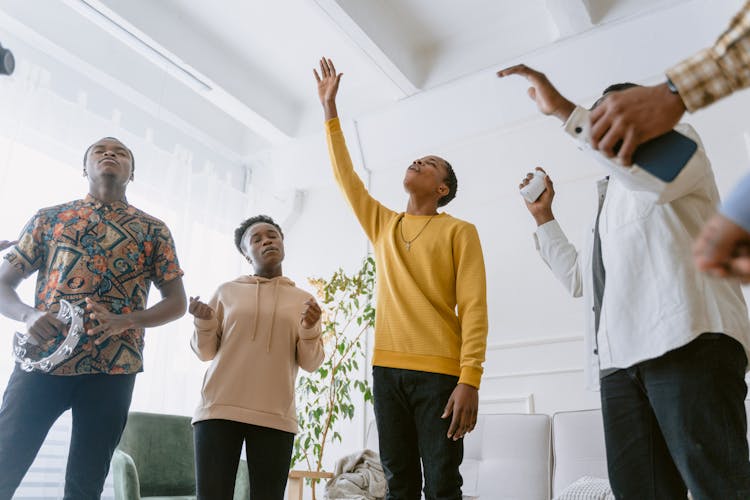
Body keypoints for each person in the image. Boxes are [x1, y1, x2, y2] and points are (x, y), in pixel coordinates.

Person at [500, 64, 750, 499]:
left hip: (688, 342)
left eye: (610, 121)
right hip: (618, 363)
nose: (600, 135)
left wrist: (564, 112)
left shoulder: (681, 145)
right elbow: (582, 281)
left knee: (718, 488)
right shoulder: (606, 205)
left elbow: (652, 177)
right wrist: (544, 218)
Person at [314, 57, 489, 500]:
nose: (418, 161)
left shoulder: (459, 231)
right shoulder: (383, 224)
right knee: (399, 484)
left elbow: (473, 306)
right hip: (386, 371)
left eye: (429, 164)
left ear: (442, 188)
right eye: (418, 159)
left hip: (439, 375)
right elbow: (345, 178)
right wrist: (330, 111)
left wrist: (470, 379)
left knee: (443, 484)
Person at [0, 137, 186, 499]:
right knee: (5, 461)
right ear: (84, 168)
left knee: (86, 484)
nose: (110, 154)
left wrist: (127, 320)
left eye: (120, 152)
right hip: (43, 360)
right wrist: (28, 314)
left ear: (132, 173)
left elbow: (176, 302)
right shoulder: (49, 218)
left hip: (114, 369)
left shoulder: (154, 230)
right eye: (100, 151)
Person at [583, 2, 750, 280]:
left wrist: (674, 92)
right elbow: (583, 281)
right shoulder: (606, 199)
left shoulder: (680, 139)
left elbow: (659, 184)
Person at [189, 214, 324, 500]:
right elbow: (205, 352)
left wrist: (310, 329)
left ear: (283, 243)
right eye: (257, 239)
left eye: (272, 235)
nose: (267, 241)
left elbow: (312, 363)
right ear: (245, 253)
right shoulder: (227, 291)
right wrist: (203, 323)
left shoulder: (303, 300)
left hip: (276, 415)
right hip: (218, 409)